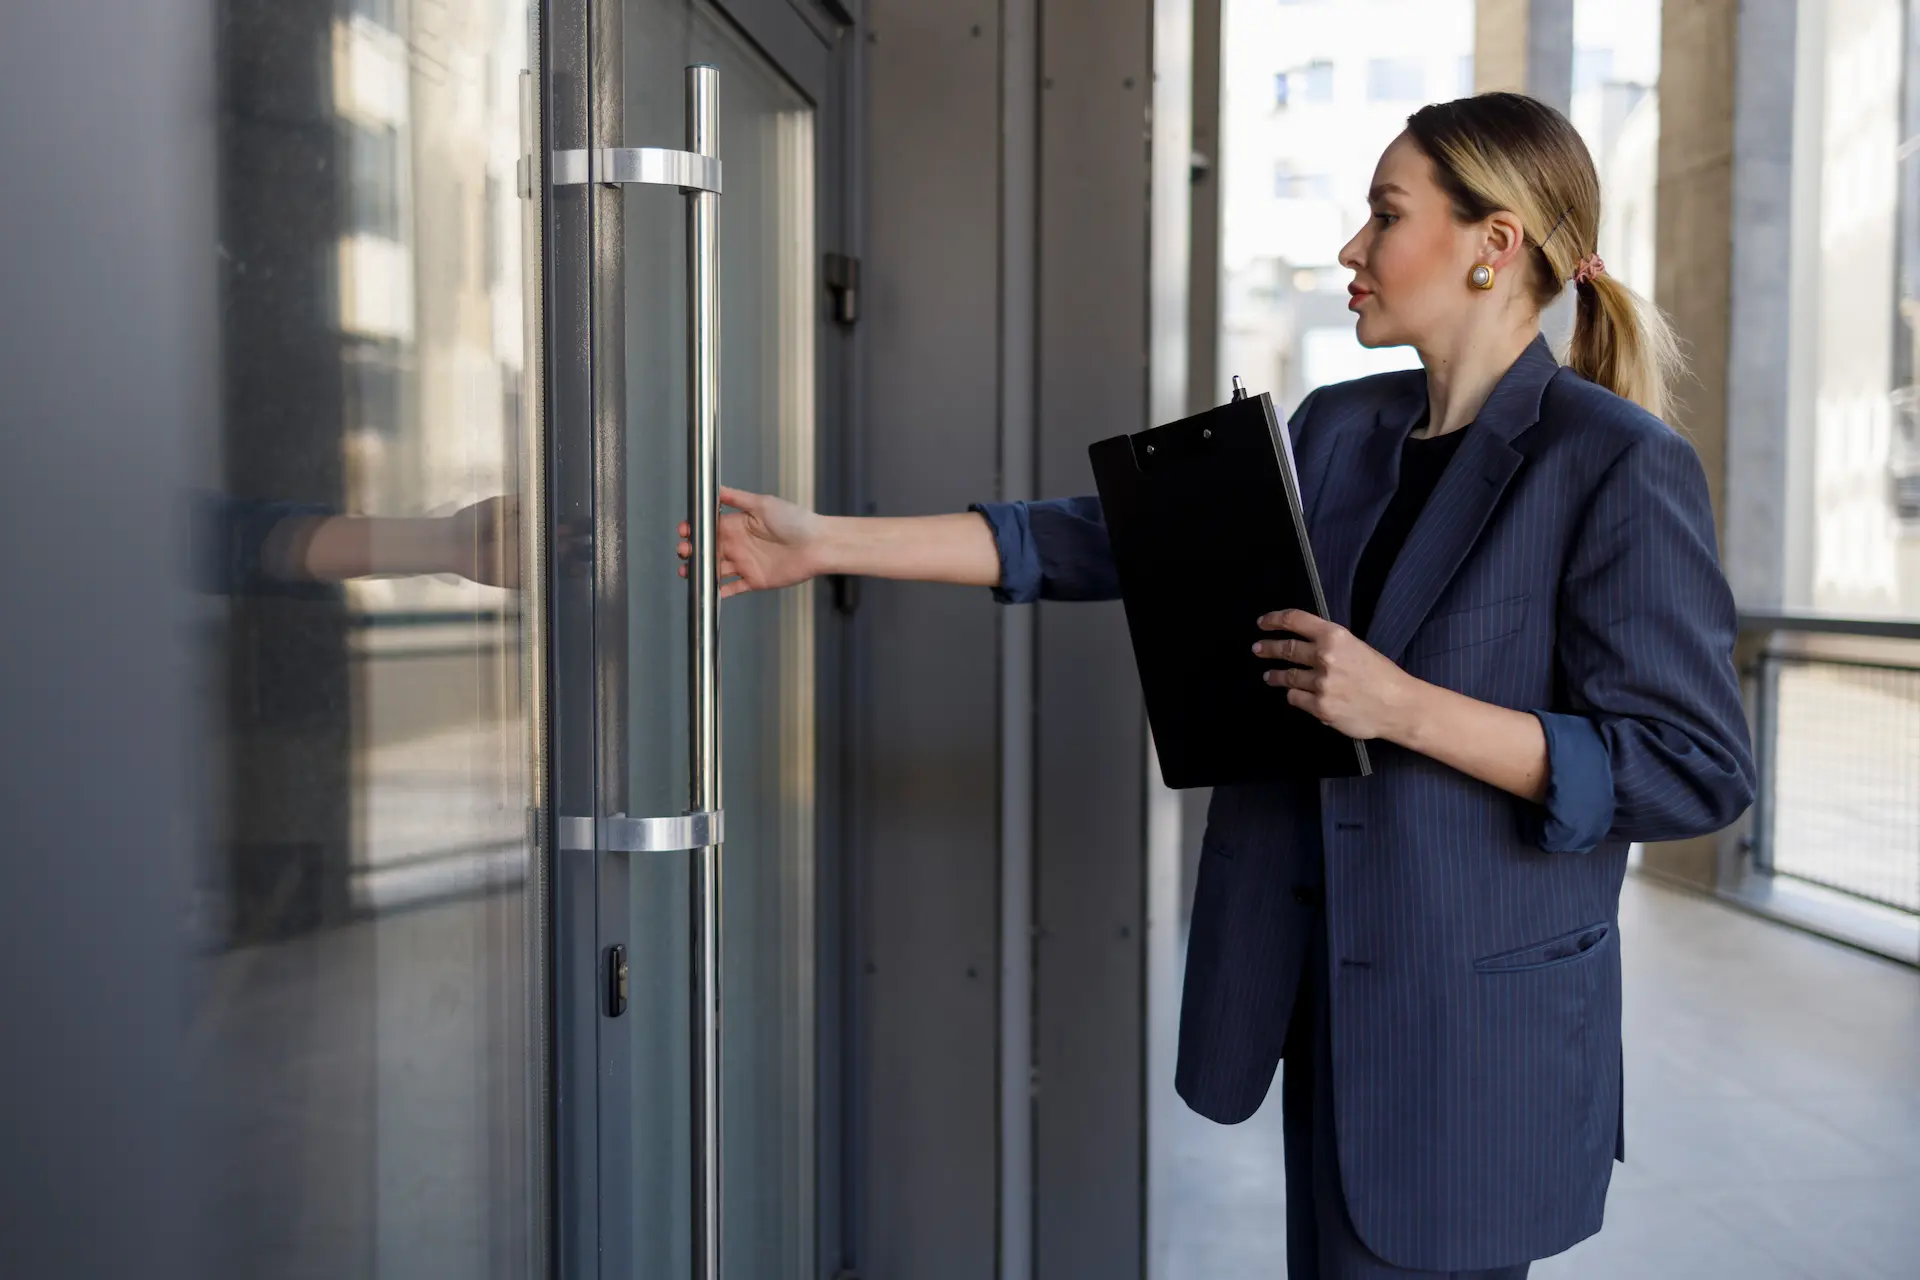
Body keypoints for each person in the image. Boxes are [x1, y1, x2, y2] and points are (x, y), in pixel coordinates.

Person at [681, 92, 1756, 1278]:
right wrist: (822, 540)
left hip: (1468, 1039)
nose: (1352, 249)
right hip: (1319, 997)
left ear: (1492, 246)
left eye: (1384, 215)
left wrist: (1403, 707)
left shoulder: (1613, 460)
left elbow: (1694, 766)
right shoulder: (1341, 428)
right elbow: (1105, 539)